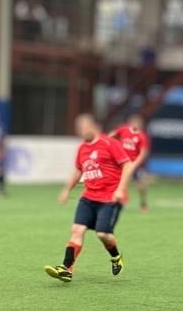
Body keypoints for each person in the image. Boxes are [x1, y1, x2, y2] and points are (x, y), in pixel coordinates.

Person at [45, 114, 136, 284]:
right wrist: (66, 190)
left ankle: (116, 257)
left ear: (93, 126)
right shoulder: (82, 148)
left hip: (110, 197)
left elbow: (128, 165)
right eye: (79, 128)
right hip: (89, 197)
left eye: (84, 127)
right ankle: (66, 269)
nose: (81, 131)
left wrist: (120, 189)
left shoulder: (109, 143)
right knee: (77, 230)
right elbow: (78, 171)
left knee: (103, 234)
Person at [111, 113, 151, 212]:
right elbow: (111, 135)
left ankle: (143, 203)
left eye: (138, 123)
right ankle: (121, 201)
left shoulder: (142, 136)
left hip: (135, 164)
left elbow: (143, 153)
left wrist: (135, 164)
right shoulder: (123, 129)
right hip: (123, 163)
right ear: (130, 122)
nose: (136, 124)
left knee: (142, 185)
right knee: (121, 182)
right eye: (135, 122)